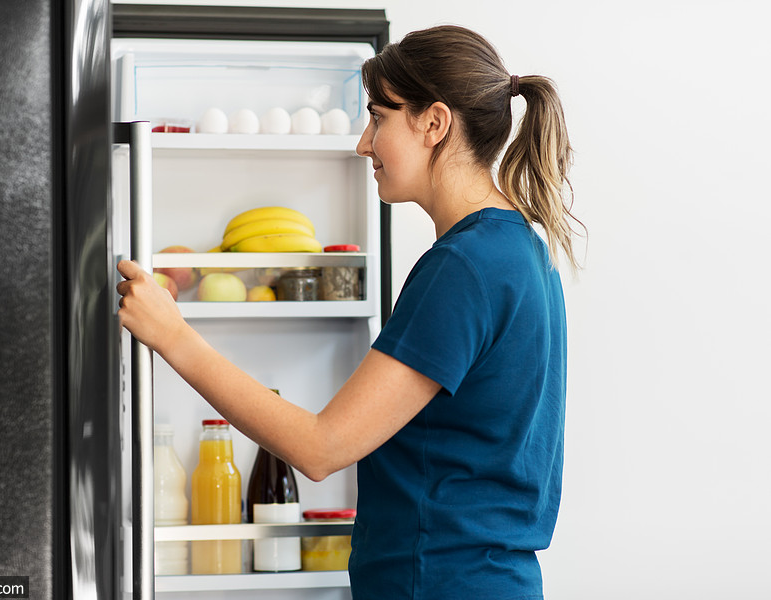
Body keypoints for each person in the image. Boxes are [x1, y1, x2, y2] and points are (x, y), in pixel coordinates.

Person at [117, 24, 582, 600]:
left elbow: (321, 448)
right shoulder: (520, 250)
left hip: (439, 583)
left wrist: (173, 336)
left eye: (379, 118)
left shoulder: (465, 267)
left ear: (434, 123)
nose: (364, 144)